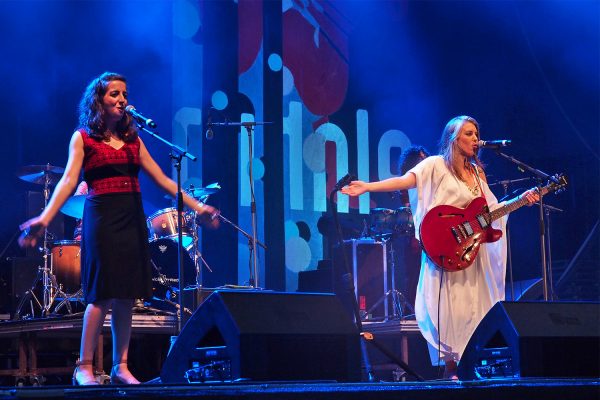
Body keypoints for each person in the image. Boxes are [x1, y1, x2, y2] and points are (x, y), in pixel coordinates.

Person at [18, 72, 220, 385]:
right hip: (101, 217)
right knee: (101, 294)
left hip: (131, 216)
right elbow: (68, 182)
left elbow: (165, 181)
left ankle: (120, 366)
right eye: (114, 94)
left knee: (127, 295)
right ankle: (84, 366)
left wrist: (199, 207)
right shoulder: (83, 138)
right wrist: (44, 218)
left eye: (124, 94)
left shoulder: (133, 141)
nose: (122, 99)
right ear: (99, 100)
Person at [342, 115, 539, 379]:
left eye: (476, 133)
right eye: (468, 133)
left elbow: (490, 210)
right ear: (453, 138)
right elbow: (405, 181)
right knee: (450, 308)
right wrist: (367, 187)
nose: (474, 139)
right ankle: (451, 370)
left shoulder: (478, 174)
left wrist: (520, 200)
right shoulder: (435, 165)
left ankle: (476, 366)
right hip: (448, 250)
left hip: (473, 253)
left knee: (476, 308)